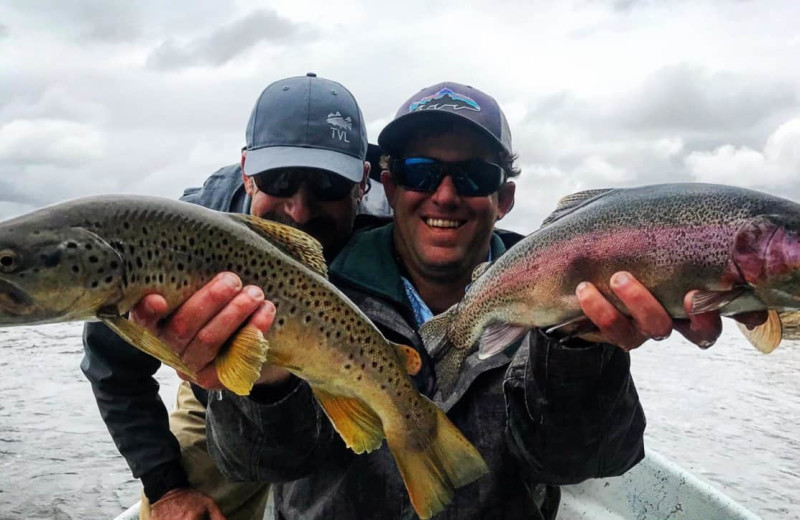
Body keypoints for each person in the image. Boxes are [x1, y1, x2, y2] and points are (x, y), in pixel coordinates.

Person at [134, 82, 765, 519]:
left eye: (473, 176)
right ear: (385, 182)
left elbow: (584, 462)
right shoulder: (315, 285)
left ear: (505, 198)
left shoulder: (571, 291)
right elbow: (263, 464)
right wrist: (265, 382)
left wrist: (583, 351)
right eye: (416, 169)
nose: (443, 194)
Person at [81, 72, 373, 520]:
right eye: (279, 180)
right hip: (216, 385)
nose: (300, 208)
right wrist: (166, 488)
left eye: (329, 186)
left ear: (363, 183)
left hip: (344, 367)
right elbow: (113, 365)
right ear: (247, 172)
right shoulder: (175, 233)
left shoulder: (390, 230)